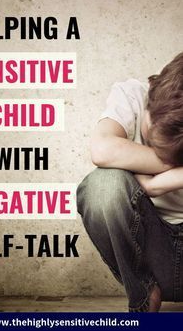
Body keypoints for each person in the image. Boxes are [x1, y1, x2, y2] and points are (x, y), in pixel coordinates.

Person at [76, 53, 183, 312]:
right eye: (155, 141)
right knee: (102, 186)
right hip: (150, 251)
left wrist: (153, 185)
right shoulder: (133, 95)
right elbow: (102, 150)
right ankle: (144, 294)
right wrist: (172, 165)